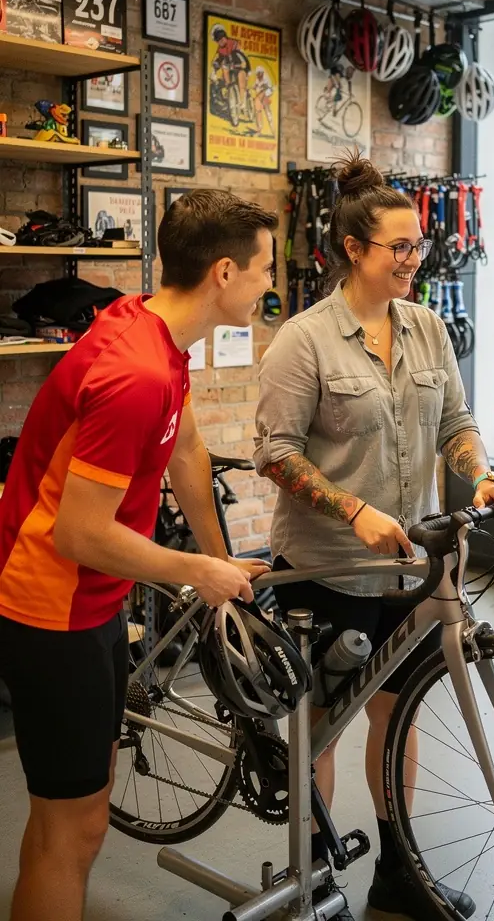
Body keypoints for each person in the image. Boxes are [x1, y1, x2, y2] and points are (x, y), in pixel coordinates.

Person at [254, 153, 494, 921]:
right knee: (319, 731)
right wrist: (353, 511)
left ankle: (399, 867)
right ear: (353, 249)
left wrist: (485, 478)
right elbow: (276, 453)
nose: (416, 259)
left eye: (419, 246)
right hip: (325, 569)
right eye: (399, 247)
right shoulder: (302, 342)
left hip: (410, 571)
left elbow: (456, 424)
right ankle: (311, 883)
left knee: (396, 713)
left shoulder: (429, 327)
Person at [0, 189, 277, 921]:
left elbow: (184, 447)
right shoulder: (138, 371)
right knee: (74, 826)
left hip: (90, 602)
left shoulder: (153, 331)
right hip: (51, 609)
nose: (269, 285)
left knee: (75, 818)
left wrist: (225, 565)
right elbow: (79, 533)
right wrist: (195, 570)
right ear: (223, 272)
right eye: (263, 271)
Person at [210, 22, 251, 120]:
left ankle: (242, 103)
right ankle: (229, 88)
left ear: (225, 37)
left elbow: (242, 57)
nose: (221, 42)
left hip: (240, 66)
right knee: (225, 69)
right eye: (219, 41)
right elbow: (219, 60)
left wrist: (245, 67)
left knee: (241, 76)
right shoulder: (220, 50)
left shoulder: (234, 43)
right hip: (230, 68)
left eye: (222, 39)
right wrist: (214, 68)